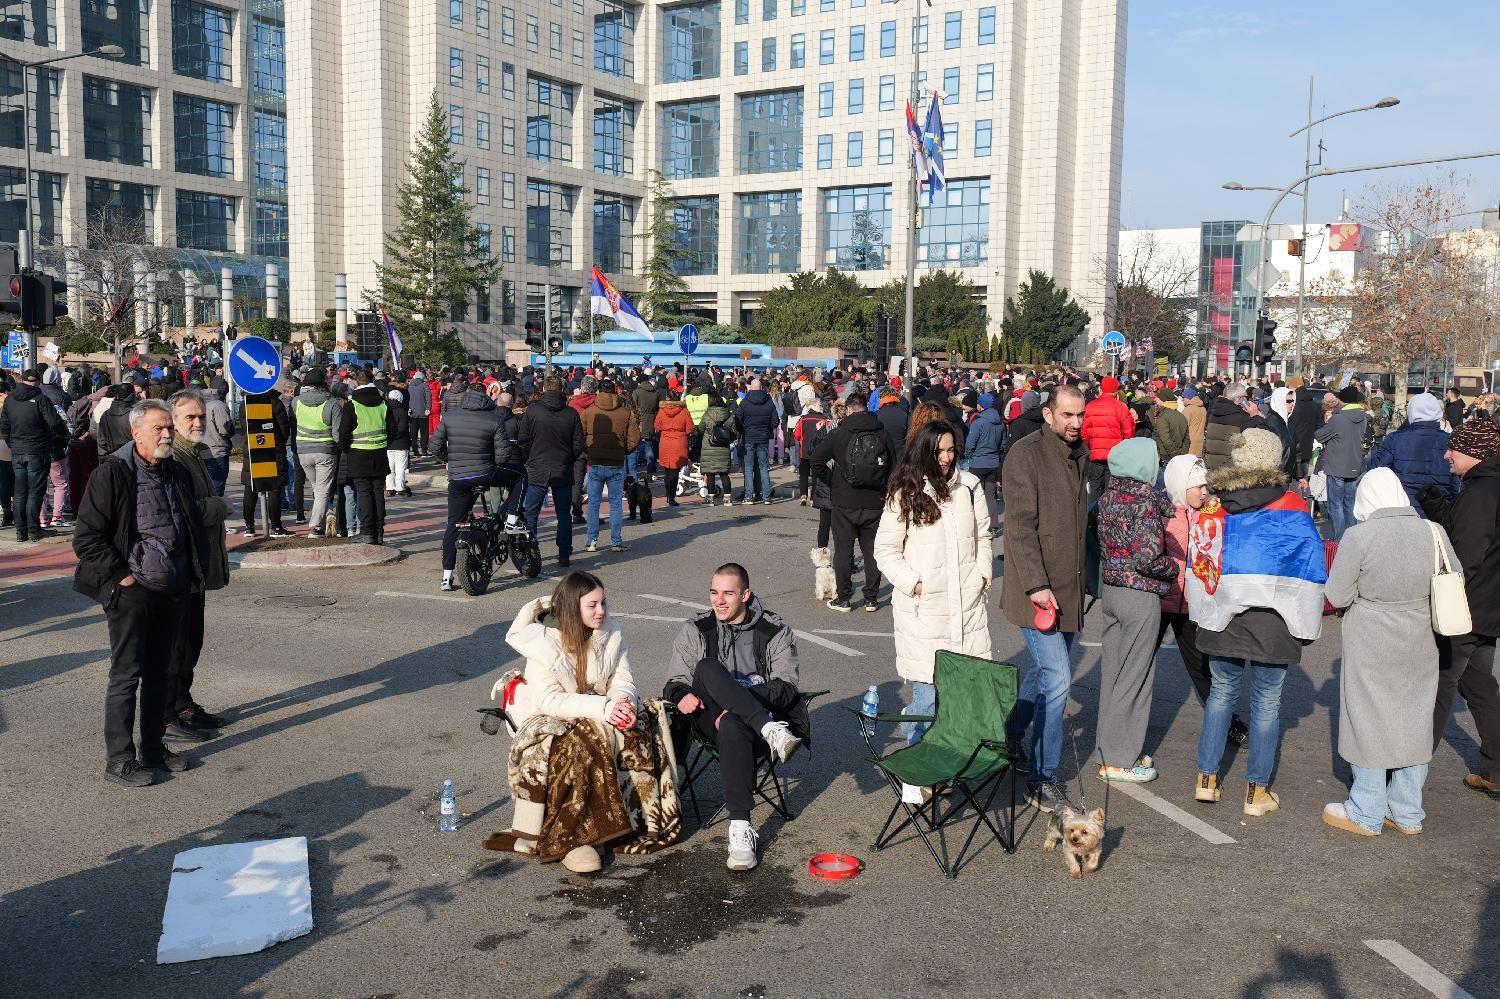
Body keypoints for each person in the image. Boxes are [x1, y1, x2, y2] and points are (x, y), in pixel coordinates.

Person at [493, 572, 675, 874]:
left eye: (603, 602)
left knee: (640, 725)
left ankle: (632, 820)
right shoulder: (542, 642)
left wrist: (622, 702)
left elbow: (622, 678)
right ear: (571, 608)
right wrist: (604, 708)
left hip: (601, 707)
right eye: (592, 605)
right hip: (549, 717)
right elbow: (550, 700)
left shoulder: (611, 632)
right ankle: (572, 838)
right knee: (578, 743)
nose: (601, 611)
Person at [1188, 428, 1325, 817]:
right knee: (1266, 703)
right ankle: (1257, 791)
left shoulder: (1214, 507)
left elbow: (1200, 563)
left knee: (1221, 695)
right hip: (1274, 621)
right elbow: (1311, 565)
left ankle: (1207, 780)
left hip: (1223, 616)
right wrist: (1308, 621)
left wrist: (1204, 609)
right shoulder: (1293, 506)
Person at [73, 400, 208, 787]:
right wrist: (123, 578)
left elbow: (185, 525)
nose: (167, 434)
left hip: (172, 590)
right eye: (159, 429)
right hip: (131, 592)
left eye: (169, 427)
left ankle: (152, 749)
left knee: (160, 674)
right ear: (136, 433)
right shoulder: (112, 473)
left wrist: (190, 575)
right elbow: (88, 539)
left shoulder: (175, 471)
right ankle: (120, 760)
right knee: (126, 676)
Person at [1322, 468, 1456, 836]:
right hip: (1421, 639)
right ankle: (1407, 810)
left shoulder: (1359, 536)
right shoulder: (1434, 532)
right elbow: (1452, 578)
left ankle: (1366, 808)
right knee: (1415, 719)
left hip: (1371, 639)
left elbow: (1337, 595)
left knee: (1368, 718)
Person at [663, 563, 804, 871]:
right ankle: (770, 730)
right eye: (714, 592)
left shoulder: (775, 630)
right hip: (706, 719)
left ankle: (739, 829)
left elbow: (786, 686)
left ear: (746, 595)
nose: (719, 600)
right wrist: (680, 695)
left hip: (742, 728)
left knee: (732, 722)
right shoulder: (696, 629)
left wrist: (738, 703)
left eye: (728, 593)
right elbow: (674, 681)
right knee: (707, 668)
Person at [873, 420, 993, 755]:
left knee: (960, 696)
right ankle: (919, 769)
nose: (946, 456)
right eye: (939, 450)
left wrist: (981, 574)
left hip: (967, 606)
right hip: (925, 612)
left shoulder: (969, 487)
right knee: (927, 696)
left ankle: (950, 762)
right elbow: (885, 550)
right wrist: (916, 584)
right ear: (924, 450)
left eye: (951, 449)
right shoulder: (906, 493)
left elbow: (984, 536)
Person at [1001, 384, 1089, 813]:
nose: (1076, 423)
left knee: (1042, 674)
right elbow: (1018, 527)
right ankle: (1043, 775)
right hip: (1036, 592)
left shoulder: (1080, 454)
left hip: (1069, 588)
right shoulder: (1025, 454)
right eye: (1068, 415)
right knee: (1057, 678)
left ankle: (1008, 731)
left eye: (1081, 415)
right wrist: (1036, 586)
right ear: (1048, 415)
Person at [1421, 420, 1500, 797]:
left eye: (1455, 448)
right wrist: (1441, 511)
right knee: (1480, 685)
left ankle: (1404, 776)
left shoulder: (1482, 492)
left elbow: (1465, 556)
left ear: (1476, 452)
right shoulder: (1484, 488)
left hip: (1466, 608)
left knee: (1439, 688)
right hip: (1488, 605)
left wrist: (1439, 597)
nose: (1446, 454)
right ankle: (1496, 768)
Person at [1094, 438, 1177, 783]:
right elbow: (1148, 557)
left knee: (1113, 675)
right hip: (1140, 593)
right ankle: (1120, 757)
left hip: (1111, 589)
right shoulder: (1144, 501)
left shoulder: (1107, 496)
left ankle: (1107, 749)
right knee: (1136, 678)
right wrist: (1171, 568)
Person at [1158, 455, 1247, 747]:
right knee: (1139, 665)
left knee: (1203, 667)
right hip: (1159, 601)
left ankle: (1227, 721)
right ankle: (1127, 727)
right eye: (1196, 486)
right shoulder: (1159, 511)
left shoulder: (1212, 513)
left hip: (1193, 606)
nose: (1203, 491)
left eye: (1205, 485)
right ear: (1178, 485)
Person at [165, 391, 231, 740]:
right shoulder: (174, 457)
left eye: (201, 416)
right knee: (178, 646)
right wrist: (219, 506)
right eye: (190, 417)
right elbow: (184, 512)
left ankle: (183, 702)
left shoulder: (193, 453)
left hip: (198, 565)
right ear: (172, 420)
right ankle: (169, 713)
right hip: (181, 566)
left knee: (192, 642)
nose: (198, 423)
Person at [431, 379, 519, 591]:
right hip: (485, 474)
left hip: (459, 478)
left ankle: (446, 577)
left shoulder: (450, 417)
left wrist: (449, 459)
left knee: (454, 524)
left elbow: (434, 447)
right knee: (519, 476)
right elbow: (503, 455)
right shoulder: (494, 419)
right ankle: (512, 519)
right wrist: (491, 464)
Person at [811, 389, 892, 612]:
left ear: (848, 409)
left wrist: (832, 481)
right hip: (874, 500)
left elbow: (816, 459)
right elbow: (893, 466)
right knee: (871, 551)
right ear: (867, 407)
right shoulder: (882, 433)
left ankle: (844, 597)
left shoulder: (840, 433)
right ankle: (871, 598)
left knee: (844, 550)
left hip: (844, 500)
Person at [519, 375, 586, 568]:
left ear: (544, 389)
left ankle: (531, 551)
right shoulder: (570, 413)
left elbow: (523, 439)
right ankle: (564, 553)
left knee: (531, 513)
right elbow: (578, 443)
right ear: (562, 390)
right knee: (563, 514)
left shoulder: (533, 411)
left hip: (537, 467)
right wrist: (568, 458)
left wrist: (528, 459)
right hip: (562, 468)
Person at [0, 367, 66, 542]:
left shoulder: (10, 400)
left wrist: (12, 443)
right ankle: (33, 529)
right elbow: (55, 423)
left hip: (18, 451)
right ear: (37, 383)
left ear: (22, 381)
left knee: (20, 492)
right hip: (36, 450)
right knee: (35, 492)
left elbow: (4, 426)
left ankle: (21, 531)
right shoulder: (41, 400)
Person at [1367, 391, 1458, 512]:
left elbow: (1374, 470)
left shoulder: (1395, 439)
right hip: (1440, 511)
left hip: (1404, 510)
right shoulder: (1452, 441)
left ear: (1411, 412)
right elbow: (1457, 483)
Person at [337, 372, 399, 545]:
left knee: (364, 494)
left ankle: (367, 532)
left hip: (357, 455)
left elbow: (343, 433)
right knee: (378, 493)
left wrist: (345, 448)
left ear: (357, 382)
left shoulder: (352, 405)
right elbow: (393, 430)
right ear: (372, 381)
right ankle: (379, 532)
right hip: (379, 453)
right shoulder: (384, 404)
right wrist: (383, 444)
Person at [581, 379, 641, 553]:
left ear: (598, 392)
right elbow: (635, 438)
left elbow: (579, 436)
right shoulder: (625, 413)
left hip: (595, 461)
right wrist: (623, 451)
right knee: (615, 504)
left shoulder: (588, 412)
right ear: (615, 392)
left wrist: (588, 452)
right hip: (616, 462)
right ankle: (616, 541)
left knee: (593, 503)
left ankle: (592, 541)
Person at [1314, 385, 1369, 540]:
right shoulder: (1362, 417)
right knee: (1350, 504)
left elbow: (1319, 436)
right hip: (1354, 465)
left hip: (1337, 465)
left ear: (1342, 400)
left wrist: (1326, 421)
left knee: (1335, 505)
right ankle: (1351, 538)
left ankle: (1340, 539)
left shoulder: (1338, 418)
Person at [293, 369, 341, 537]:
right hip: (325, 452)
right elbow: (337, 434)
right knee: (322, 490)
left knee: (318, 487)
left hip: (303, 452)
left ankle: (329, 513)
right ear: (323, 383)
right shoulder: (332, 403)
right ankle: (314, 526)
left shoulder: (296, 402)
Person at [1080, 376, 1133, 499]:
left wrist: (1091, 446)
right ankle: (1108, 515)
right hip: (1116, 456)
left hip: (1096, 455)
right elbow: (1129, 434)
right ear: (1115, 391)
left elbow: (1084, 433)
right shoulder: (1121, 407)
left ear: (1101, 389)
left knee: (1094, 487)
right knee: (1112, 490)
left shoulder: (1090, 406)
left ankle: (1091, 515)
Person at [962, 394, 1005, 528]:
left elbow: (970, 443)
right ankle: (993, 525)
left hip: (978, 463)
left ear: (981, 406)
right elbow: (1003, 445)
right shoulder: (1000, 423)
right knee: (990, 496)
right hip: (993, 463)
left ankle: (976, 524)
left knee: (975, 495)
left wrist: (968, 455)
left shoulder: (978, 422)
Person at [1202, 383, 1264, 472]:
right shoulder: (1241, 417)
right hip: (1231, 470)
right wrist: (1256, 416)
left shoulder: (1214, 411)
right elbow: (1262, 434)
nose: (1249, 400)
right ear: (1239, 398)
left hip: (1212, 466)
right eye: (1246, 398)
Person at [734, 378, 777, 504]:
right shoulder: (769, 401)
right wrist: (767, 428)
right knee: (763, 467)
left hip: (749, 437)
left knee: (748, 467)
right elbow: (775, 422)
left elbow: (738, 419)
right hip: (763, 437)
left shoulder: (745, 402)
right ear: (761, 388)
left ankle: (749, 496)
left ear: (750, 388)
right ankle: (766, 496)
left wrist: (743, 430)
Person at [653, 389, 694, 506]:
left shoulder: (662, 410)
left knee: (667, 470)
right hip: (679, 442)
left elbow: (657, 426)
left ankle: (667, 495)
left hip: (665, 441)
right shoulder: (684, 411)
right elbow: (690, 428)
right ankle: (672, 498)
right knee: (675, 472)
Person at [698, 389, 736, 506]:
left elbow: (700, 428)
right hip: (723, 447)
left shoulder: (707, 414)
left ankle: (710, 499)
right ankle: (728, 499)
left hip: (709, 446)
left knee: (710, 474)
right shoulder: (728, 415)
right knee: (724, 474)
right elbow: (734, 432)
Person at [383, 377, 413, 498]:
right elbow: (403, 428)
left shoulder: (384, 410)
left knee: (389, 467)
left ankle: (390, 488)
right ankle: (400, 488)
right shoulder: (402, 411)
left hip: (388, 443)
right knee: (401, 467)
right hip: (401, 443)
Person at [1152, 389, 1190, 468]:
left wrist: (1175, 454)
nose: (1156, 400)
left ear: (1163, 400)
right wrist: (1182, 453)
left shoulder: (1163, 417)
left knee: (1163, 479)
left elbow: (1166, 439)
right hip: (1178, 455)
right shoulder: (1181, 415)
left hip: (1165, 457)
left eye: (1158, 398)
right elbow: (1187, 438)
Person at [407, 370, 432, 457]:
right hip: (423, 412)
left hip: (412, 412)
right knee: (424, 433)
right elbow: (428, 398)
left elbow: (407, 399)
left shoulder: (409, 386)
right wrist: (428, 408)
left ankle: (415, 451)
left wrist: (409, 408)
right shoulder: (425, 385)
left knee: (413, 433)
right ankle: (424, 450)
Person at [1181, 387, 1207, 458]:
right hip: (1200, 441)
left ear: (1188, 397)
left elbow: (1182, 427)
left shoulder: (1188, 410)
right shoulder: (1203, 409)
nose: (1182, 400)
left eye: (1184, 397)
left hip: (1190, 443)